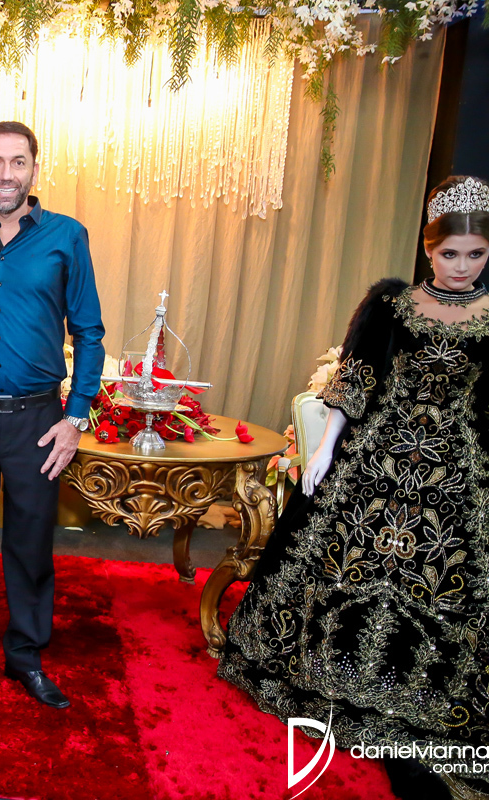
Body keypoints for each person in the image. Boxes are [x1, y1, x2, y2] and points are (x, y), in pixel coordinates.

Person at [219, 175, 489, 799]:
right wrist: (324, 448)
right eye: (450, 253)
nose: (462, 267)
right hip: (376, 461)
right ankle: (325, 673)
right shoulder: (392, 304)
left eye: (476, 254)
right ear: (429, 248)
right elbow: (356, 378)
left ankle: (415, 693)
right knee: (340, 564)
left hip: (456, 477)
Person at [0, 121, 105, 709]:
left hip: (39, 420)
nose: (5, 174)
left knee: (31, 542)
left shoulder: (67, 237)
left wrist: (75, 417)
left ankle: (26, 654)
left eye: (17, 162)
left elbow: (89, 333)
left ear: (35, 168)